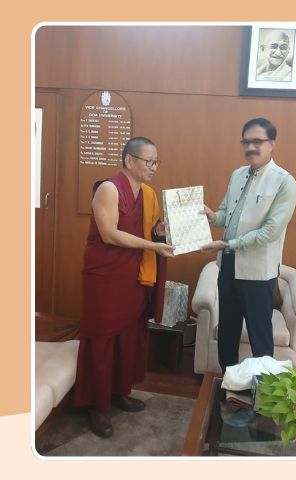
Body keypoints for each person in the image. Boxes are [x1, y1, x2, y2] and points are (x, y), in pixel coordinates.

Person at [77, 136, 176, 437]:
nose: (154, 167)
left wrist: (160, 233)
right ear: (129, 161)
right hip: (106, 276)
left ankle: (119, 391)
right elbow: (109, 234)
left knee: (130, 335)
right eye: (149, 161)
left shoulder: (148, 194)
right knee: (102, 337)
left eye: (157, 162)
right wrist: (152, 245)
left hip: (133, 274)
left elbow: (150, 230)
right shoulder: (108, 189)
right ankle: (96, 405)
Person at [200, 118, 296, 371]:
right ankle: (229, 382)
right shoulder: (238, 174)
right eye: (246, 141)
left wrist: (227, 243)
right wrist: (212, 217)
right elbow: (226, 213)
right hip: (228, 264)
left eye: (257, 141)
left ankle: (261, 389)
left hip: (258, 271)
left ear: (271, 144)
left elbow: (270, 232)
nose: (250, 147)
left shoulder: (284, 181)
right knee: (227, 330)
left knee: (259, 336)